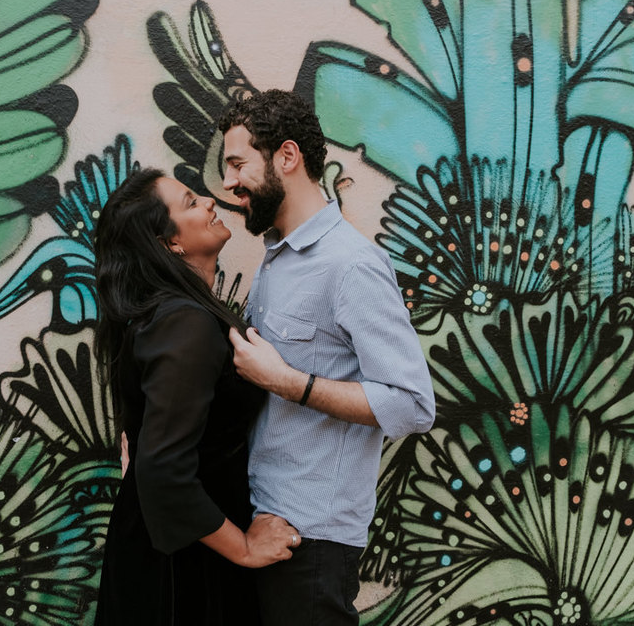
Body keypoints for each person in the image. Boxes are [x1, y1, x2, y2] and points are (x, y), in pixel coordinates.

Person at [219, 89, 436, 625]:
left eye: (238, 163)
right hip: (262, 526)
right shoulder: (278, 257)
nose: (228, 183)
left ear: (286, 157)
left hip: (310, 543)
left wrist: (289, 381)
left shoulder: (351, 265)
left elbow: (412, 404)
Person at [93, 167, 300, 626]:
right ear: (170, 244)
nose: (209, 202)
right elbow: (163, 469)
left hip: (185, 546)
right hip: (182, 568)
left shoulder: (173, 316)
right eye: (190, 202)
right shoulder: (184, 323)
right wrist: (244, 548)